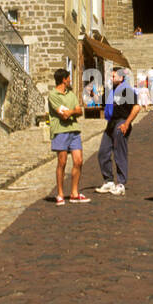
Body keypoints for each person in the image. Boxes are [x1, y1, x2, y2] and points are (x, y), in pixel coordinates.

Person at [96, 65, 140, 197]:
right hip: (111, 123)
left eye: (113, 76)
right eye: (111, 75)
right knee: (103, 152)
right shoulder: (111, 90)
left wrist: (127, 123)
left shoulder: (127, 90)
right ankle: (108, 181)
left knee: (119, 153)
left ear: (121, 77)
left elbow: (136, 108)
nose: (111, 78)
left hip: (121, 122)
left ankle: (121, 183)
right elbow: (102, 103)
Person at [48, 68, 90, 205]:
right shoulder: (53, 95)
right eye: (69, 78)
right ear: (64, 80)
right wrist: (73, 111)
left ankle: (74, 193)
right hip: (60, 131)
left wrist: (71, 111)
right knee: (62, 162)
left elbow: (80, 111)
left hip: (74, 130)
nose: (70, 80)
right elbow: (64, 115)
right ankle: (60, 194)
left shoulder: (71, 94)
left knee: (78, 161)